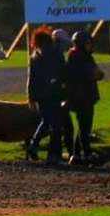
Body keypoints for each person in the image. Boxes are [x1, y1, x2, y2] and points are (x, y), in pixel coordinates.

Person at [25, 29, 68, 165]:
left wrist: (31, 97)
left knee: (47, 121)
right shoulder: (55, 53)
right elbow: (62, 72)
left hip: (40, 95)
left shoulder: (34, 56)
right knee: (55, 125)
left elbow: (31, 78)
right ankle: (54, 155)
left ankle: (34, 145)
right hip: (54, 93)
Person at [64, 30, 103, 164]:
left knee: (83, 127)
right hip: (81, 97)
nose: (90, 46)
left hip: (85, 96)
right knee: (84, 127)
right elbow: (91, 74)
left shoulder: (80, 56)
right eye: (88, 43)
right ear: (81, 44)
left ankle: (77, 155)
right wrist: (95, 75)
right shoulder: (78, 57)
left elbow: (97, 73)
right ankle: (86, 154)